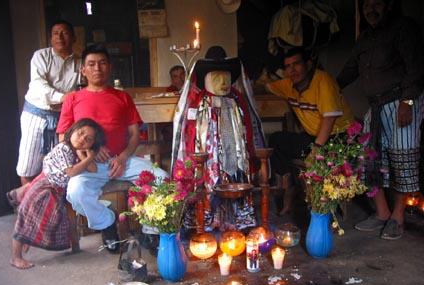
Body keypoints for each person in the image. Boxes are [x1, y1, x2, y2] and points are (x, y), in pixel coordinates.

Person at [56, 44, 168, 253]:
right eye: (91, 64)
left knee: (162, 178)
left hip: (122, 161)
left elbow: (134, 134)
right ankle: (106, 223)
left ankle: (150, 232)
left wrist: (124, 157)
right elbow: (64, 136)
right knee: (75, 191)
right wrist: (88, 153)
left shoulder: (122, 97)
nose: (97, 68)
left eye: (102, 63)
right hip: (89, 165)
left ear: (109, 67)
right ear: (84, 70)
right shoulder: (73, 99)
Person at [336, 0, 424, 240]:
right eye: (366, 6)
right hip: (376, 106)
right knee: (368, 157)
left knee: (402, 158)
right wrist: (325, 86)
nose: (371, 10)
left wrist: (407, 102)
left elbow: (416, 67)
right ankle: (382, 213)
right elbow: (350, 70)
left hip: (402, 101)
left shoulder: (404, 28)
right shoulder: (366, 38)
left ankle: (398, 216)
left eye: (376, 4)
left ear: (388, 5)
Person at [172, 45, 266, 232]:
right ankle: (205, 219)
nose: (222, 81)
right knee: (210, 178)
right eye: (216, 77)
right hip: (210, 152)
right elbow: (190, 132)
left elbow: (247, 129)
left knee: (236, 174)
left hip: (234, 151)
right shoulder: (199, 104)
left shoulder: (237, 101)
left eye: (226, 76)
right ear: (205, 78)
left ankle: (237, 219)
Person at [266, 47, 354, 216]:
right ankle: (288, 187)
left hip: (338, 137)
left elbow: (329, 119)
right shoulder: (288, 84)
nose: (292, 70)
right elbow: (267, 86)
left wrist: (316, 149)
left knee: (319, 160)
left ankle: (325, 207)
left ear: (308, 64)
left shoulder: (323, 81)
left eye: (297, 64)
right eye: (288, 66)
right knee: (277, 140)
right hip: (313, 137)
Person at [11, 118, 106, 269]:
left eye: (88, 139)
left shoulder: (79, 152)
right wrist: (88, 159)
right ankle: (16, 257)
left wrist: (85, 157)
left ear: (92, 144)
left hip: (56, 189)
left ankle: (27, 238)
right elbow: (71, 171)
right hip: (45, 186)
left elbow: (93, 170)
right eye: (80, 133)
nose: (82, 139)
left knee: (46, 218)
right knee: (26, 218)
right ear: (72, 131)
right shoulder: (63, 148)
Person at [13, 20, 81, 191]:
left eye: (64, 32)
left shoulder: (80, 63)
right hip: (36, 114)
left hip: (63, 118)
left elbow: (82, 91)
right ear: (50, 38)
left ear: (73, 37)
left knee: (59, 164)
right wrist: (63, 97)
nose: (59, 37)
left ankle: (51, 207)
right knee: (28, 164)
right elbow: (39, 85)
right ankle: (29, 206)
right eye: (55, 33)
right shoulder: (41, 56)